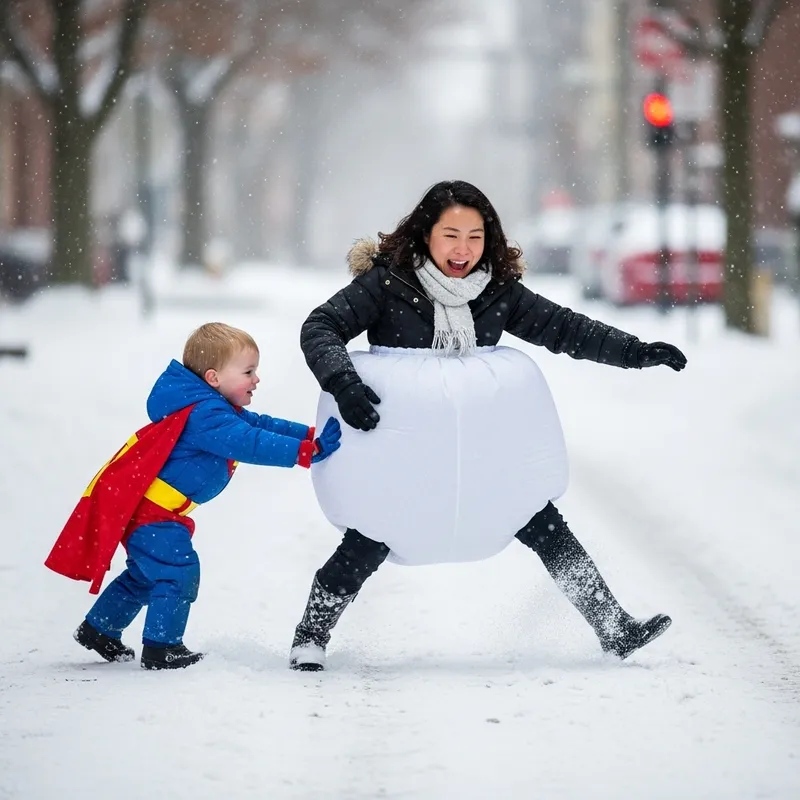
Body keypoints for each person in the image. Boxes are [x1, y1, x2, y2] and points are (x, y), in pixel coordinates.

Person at [289, 180, 687, 671]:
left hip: (480, 453)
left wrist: (634, 352)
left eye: (475, 237)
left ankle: (613, 627)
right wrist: (343, 383)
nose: (463, 249)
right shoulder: (386, 285)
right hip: (401, 455)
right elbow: (320, 326)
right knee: (368, 539)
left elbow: (564, 328)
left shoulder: (496, 291)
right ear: (424, 234)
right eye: (451, 234)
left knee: (542, 523)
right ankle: (311, 635)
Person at [46, 322, 341, 670]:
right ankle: (162, 646)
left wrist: (310, 434)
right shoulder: (206, 416)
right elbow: (249, 442)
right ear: (214, 378)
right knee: (178, 572)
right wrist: (304, 452)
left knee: (145, 576)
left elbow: (259, 425)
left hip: (152, 513)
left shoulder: (211, 406)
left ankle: (100, 629)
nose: (256, 379)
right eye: (248, 371)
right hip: (152, 515)